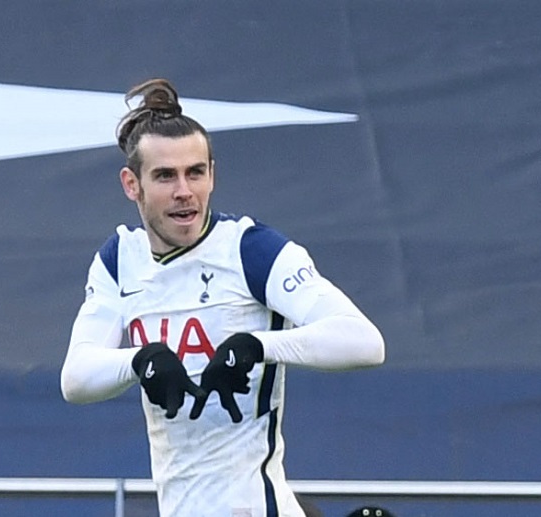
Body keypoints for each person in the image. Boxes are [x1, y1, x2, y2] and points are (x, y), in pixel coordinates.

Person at [60, 78, 385, 517]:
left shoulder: (252, 249)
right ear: (130, 184)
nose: (184, 191)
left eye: (196, 172)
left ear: (213, 173)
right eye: (165, 176)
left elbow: (365, 343)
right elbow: (76, 379)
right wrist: (140, 361)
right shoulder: (119, 260)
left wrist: (258, 347)